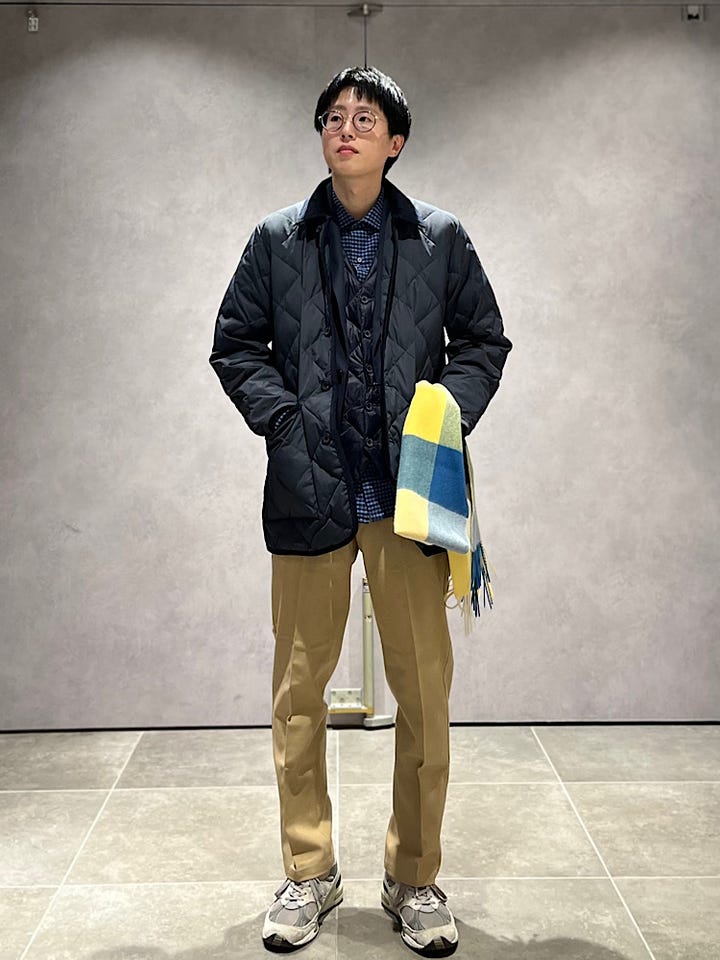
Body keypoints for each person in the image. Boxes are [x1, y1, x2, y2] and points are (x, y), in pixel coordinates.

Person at [208, 65, 513, 957]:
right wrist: (284, 422)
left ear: (395, 142)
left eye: (364, 118)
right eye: (333, 117)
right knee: (298, 694)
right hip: (310, 486)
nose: (345, 128)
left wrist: (444, 414)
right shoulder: (276, 239)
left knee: (423, 694)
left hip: (409, 493)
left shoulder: (438, 238)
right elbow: (235, 344)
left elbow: (484, 341)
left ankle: (413, 876)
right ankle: (309, 871)